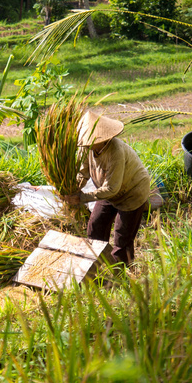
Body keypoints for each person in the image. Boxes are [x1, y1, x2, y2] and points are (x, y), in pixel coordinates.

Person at [61, 107, 152, 266]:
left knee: (122, 237)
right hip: (108, 191)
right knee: (95, 227)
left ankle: (119, 275)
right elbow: (83, 173)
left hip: (131, 192)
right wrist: (73, 190)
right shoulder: (87, 148)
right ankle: (96, 266)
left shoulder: (115, 151)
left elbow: (112, 189)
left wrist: (82, 198)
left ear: (101, 139)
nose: (85, 143)